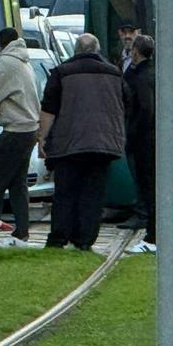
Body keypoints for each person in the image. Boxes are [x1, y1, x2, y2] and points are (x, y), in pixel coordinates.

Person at [39, 33, 126, 251]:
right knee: (93, 194)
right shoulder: (115, 73)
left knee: (65, 193)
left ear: (76, 50)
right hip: (103, 144)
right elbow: (125, 105)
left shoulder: (61, 73)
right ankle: (85, 240)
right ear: (97, 50)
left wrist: (42, 139)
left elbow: (49, 109)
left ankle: (59, 237)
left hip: (68, 144)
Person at [0, 27, 41, 247]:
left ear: (0, 43)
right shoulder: (24, 60)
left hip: (15, 130)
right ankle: (21, 233)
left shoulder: (6, 62)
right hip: (29, 129)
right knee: (18, 183)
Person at [122, 35, 157, 253]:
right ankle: (153, 235)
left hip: (144, 139)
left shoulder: (141, 76)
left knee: (148, 187)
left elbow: (145, 107)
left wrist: (132, 131)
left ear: (136, 51)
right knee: (151, 187)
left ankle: (152, 238)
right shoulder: (153, 72)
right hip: (151, 137)